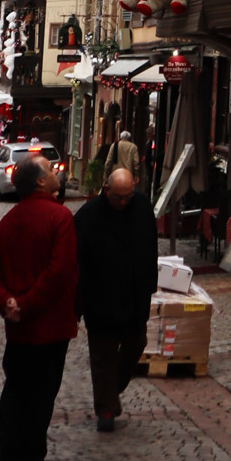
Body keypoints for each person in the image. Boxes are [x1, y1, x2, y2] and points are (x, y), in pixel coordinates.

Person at [0, 159, 76, 461]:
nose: (57, 174)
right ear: (39, 183)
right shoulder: (59, 217)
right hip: (49, 326)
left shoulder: (9, 221)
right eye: (51, 170)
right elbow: (58, 273)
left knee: (16, 390)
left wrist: (6, 302)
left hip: (19, 329)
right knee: (40, 397)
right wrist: (24, 304)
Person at [73, 166, 158, 432]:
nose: (123, 202)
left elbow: (151, 247)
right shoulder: (88, 216)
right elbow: (76, 262)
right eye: (118, 197)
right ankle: (106, 410)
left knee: (136, 344)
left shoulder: (142, 208)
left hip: (135, 296)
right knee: (102, 357)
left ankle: (111, 392)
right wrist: (78, 304)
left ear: (134, 187)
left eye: (127, 196)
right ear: (107, 190)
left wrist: (149, 285)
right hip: (100, 299)